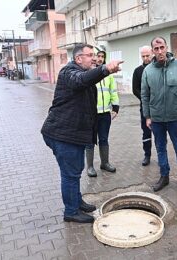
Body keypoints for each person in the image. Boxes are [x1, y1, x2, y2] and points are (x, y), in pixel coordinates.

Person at [41, 43, 123, 223]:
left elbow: (86, 81)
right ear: (78, 58)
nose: (94, 58)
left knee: (75, 171)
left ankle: (77, 202)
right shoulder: (68, 72)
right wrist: (105, 69)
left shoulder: (80, 73)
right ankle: (71, 211)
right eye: (90, 55)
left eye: (95, 55)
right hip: (62, 134)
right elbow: (81, 80)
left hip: (71, 134)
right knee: (70, 174)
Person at [141, 36, 177, 193]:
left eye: (162, 47)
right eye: (156, 49)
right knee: (160, 148)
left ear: (166, 47)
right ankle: (164, 176)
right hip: (157, 118)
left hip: (175, 116)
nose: (160, 51)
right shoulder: (148, 71)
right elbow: (145, 95)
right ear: (152, 51)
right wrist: (148, 116)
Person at [85, 50, 120, 177]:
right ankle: (89, 167)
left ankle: (105, 163)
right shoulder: (88, 73)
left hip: (105, 113)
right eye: (98, 56)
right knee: (89, 140)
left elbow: (113, 91)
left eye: (102, 57)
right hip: (91, 114)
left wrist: (115, 107)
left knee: (104, 139)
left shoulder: (109, 74)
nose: (100, 58)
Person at [132, 46, 153, 166]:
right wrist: (145, 99)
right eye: (143, 56)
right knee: (146, 132)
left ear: (152, 54)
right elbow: (135, 89)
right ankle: (147, 155)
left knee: (160, 132)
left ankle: (162, 155)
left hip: (159, 107)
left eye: (147, 55)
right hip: (145, 107)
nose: (145, 58)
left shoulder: (158, 68)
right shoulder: (138, 71)